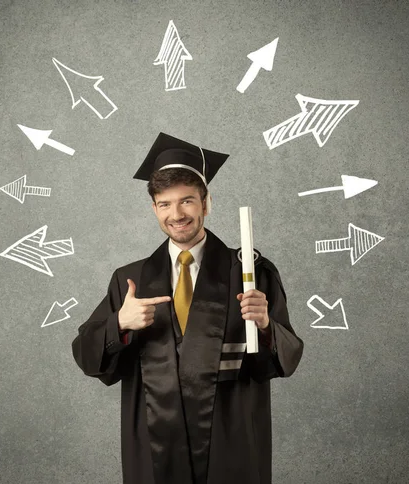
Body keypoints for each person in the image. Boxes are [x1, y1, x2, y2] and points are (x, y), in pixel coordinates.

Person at [72, 132, 304, 484]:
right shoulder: (129, 279)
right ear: (154, 208)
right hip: (154, 444)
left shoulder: (251, 273)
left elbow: (283, 360)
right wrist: (119, 324)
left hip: (231, 442)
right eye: (164, 204)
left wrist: (266, 325)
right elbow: (88, 356)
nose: (176, 214)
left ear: (207, 202)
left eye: (187, 201)